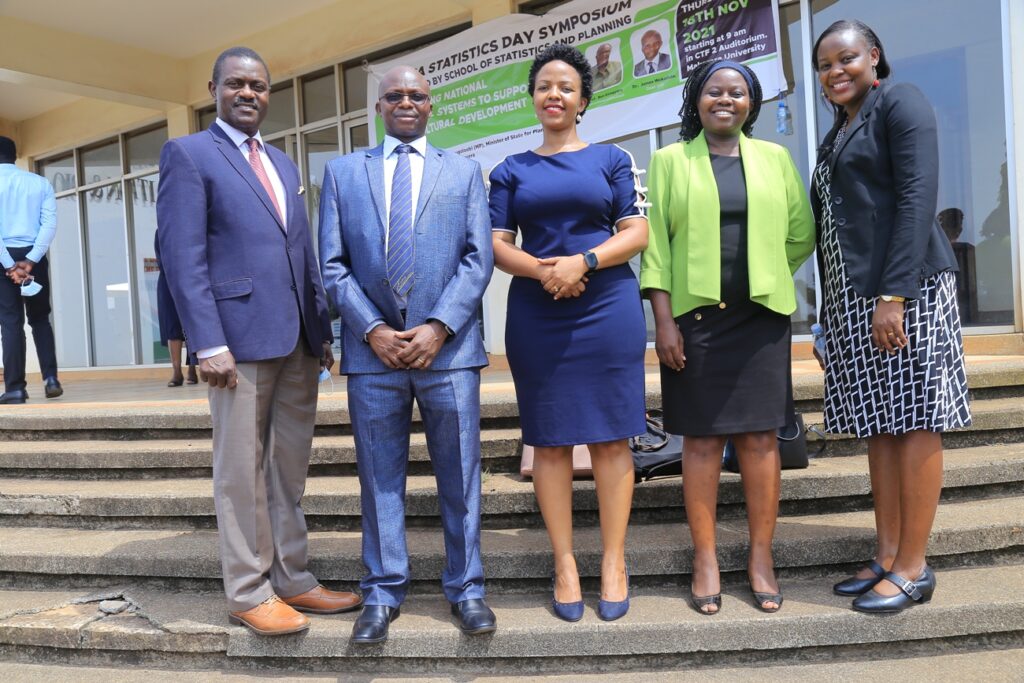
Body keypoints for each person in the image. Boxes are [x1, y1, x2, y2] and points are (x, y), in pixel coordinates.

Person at [156, 46, 361, 636]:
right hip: (237, 344)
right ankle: (248, 590)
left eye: (260, 86)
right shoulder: (189, 154)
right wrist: (205, 340)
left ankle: (293, 578)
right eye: (237, 84)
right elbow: (182, 256)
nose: (249, 94)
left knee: (287, 469)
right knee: (241, 470)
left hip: (297, 341)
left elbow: (302, 253)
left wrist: (322, 331)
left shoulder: (282, 162)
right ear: (214, 88)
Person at [318, 65, 496, 645]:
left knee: (460, 477)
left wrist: (439, 326)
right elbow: (332, 265)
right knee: (378, 479)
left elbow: (478, 260)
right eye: (394, 95)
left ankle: (467, 589)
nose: (406, 102)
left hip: (448, 353)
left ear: (431, 104)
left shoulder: (465, 172)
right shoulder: (343, 173)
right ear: (378, 106)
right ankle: (382, 591)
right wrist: (371, 330)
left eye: (416, 95)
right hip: (375, 357)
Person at [641, 59, 815, 615]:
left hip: (759, 319)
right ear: (696, 99)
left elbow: (800, 232)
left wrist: (765, 272)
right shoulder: (670, 161)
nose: (726, 99)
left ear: (750, 103)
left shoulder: (774, 158)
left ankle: (761, 558)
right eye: (714, 91)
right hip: (694, 322)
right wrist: (663, 321)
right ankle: (707, 558)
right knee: (701, 442)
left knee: (763, 440)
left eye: (737, 93)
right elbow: (657, 249)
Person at [811, 20, 971, 614]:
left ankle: (913, 567)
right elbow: (835, 231)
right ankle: (885, 553)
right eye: (825, 64)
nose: (835, 71)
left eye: (846, 58)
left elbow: (916, 197)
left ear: (874, 57)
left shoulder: (899, 102)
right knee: (880, 426)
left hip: (906, 292)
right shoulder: (837, 132)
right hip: (854, 300)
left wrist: (893, 296)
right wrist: (829, 317)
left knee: (915, 419)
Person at [489, 43, 649, 623]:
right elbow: (497, 245)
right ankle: (564, 563)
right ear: (533, 99)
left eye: (565, 87)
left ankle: (613, 560)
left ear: (583, 100)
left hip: (605, 304)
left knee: (611, 437)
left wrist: (582, 261)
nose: (553, 94)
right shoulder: (511, 170)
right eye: (543, 86)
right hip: (537, 308)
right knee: (550, 439)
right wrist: (548, 271)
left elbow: (636, 233)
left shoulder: (612, 158)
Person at [0, 136, 62, 404]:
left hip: (3, 258)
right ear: (14, 156)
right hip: (33, 256)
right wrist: (32, 260)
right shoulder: (39, 183)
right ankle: (51, 378)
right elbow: (49, 225)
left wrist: (10, 265)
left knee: (11, 322)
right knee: (40, 319)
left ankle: (15, 388)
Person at [156, 250, 197, 387]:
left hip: (190, 277)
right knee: (171, 325)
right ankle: (176, 372)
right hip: (167, 280)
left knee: (191, 324)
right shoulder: (160, 232)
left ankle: (192, 368)